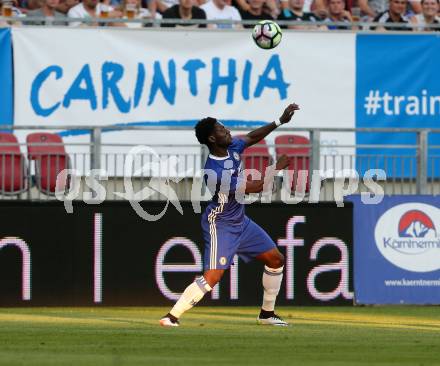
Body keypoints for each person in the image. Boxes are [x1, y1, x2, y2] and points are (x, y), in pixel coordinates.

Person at [159, 103, 300, 327]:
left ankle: (266, 314)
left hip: (240, 221)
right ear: (212, 140)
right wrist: (277, 168)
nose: (227, 131)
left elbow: (252, 137)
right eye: (221, 130)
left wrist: (279, 121)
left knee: (276, 260)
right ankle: (171, 317)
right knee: (212, 277)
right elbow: (258, 187)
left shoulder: (231, 147)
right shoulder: (214, 172)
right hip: (221, 223)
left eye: (224, 127)